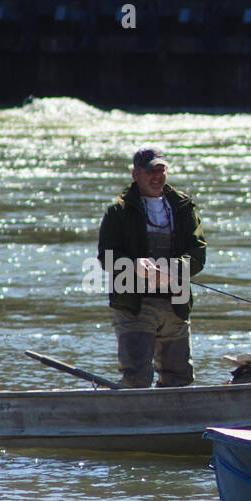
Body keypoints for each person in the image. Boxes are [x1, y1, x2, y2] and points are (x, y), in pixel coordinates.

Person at [97, 147, 207, 387]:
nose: (157, 176)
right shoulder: (118, 211)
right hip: (134, 307)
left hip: (176, 307)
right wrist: (134, 265)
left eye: (161, 170)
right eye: (150, 171)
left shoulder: (184, 207)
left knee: (180, 378)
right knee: (136, 378)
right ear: (135, 174)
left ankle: (177, 424)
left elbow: (198, 254)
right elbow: (106, 257)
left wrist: (173, 269)